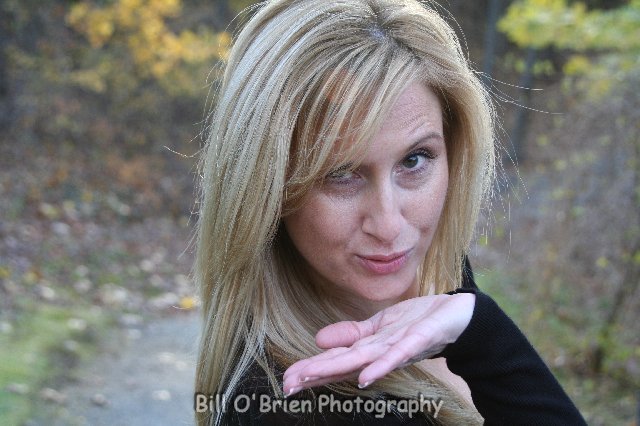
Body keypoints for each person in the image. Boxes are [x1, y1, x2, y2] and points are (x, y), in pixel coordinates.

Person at [193, 0, 587, 425]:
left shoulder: (438, 282)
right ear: (265, 188)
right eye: (340, 173)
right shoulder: (294, 409)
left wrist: (479, 330)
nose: (389, 226)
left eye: (415, 160)